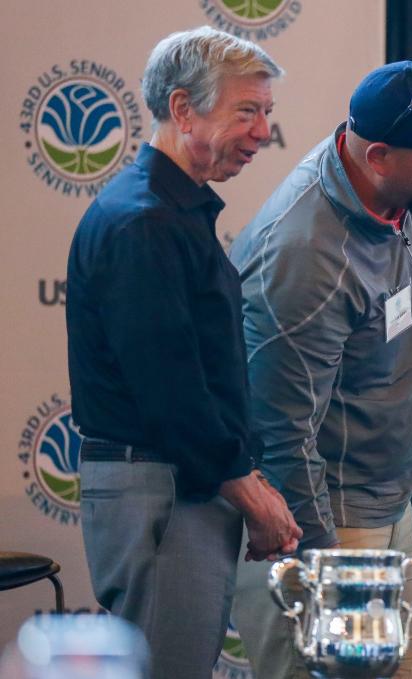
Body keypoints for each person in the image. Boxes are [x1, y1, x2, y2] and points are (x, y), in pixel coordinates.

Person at [228, 60, 412, 678]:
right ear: (378, 155)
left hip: (385, 504)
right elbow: (280, 432)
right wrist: (327, 574)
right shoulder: (304, 254)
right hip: (326, 523)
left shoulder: (409, 196)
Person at [66, 26, 301, 679]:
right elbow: (173, 394)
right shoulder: (145, 221)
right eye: (246, 111)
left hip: (184, 487)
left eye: (266, 114)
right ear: (181, 109)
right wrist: (253, 495)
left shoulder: (171, 213)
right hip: (165, 489)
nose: (261, 132)